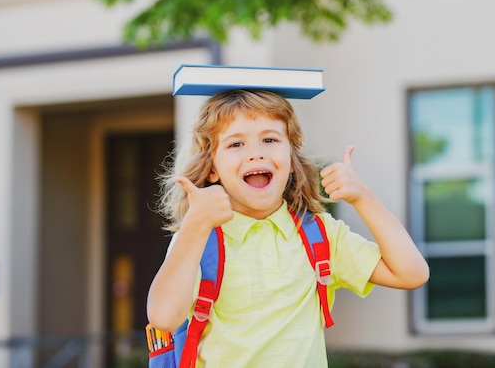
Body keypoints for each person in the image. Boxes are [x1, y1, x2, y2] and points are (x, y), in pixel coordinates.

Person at [147, 89, 429, 367]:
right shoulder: (200, 239)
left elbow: (411, 273)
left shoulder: (320, 234)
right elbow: (163, 317)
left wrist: (364, 198)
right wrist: (195, 225)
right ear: (212, 169)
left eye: (269, 139)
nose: (256, 153)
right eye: (236, 144)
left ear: (292, 160)